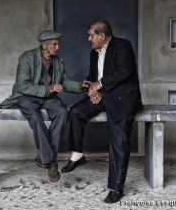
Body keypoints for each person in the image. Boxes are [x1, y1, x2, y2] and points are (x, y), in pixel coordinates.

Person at [61, 20, 144, 203]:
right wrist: (92, 90)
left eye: (91, 35)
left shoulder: (122, 45)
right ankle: (78, 156)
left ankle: (116, 188)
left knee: (119, 142)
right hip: (102, 96)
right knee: (75, 112)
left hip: (123, 99)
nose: (88, 38)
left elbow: (124, 72)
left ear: (102, 35)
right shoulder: (93, 53)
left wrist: (100, 84)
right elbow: (93, 78)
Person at [0, 30, 90, 182]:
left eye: (58, 44)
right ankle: (51, 162)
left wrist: (80, 85)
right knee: (35, 116)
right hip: (26, 97)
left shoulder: (57, 62)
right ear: (44, 45)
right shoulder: (27, 58)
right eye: (54, 44)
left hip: (48, 99)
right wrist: (48, 89)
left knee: (62, 112)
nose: (57, 47)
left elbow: (65, 81)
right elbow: (22, 86)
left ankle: (44, 157)